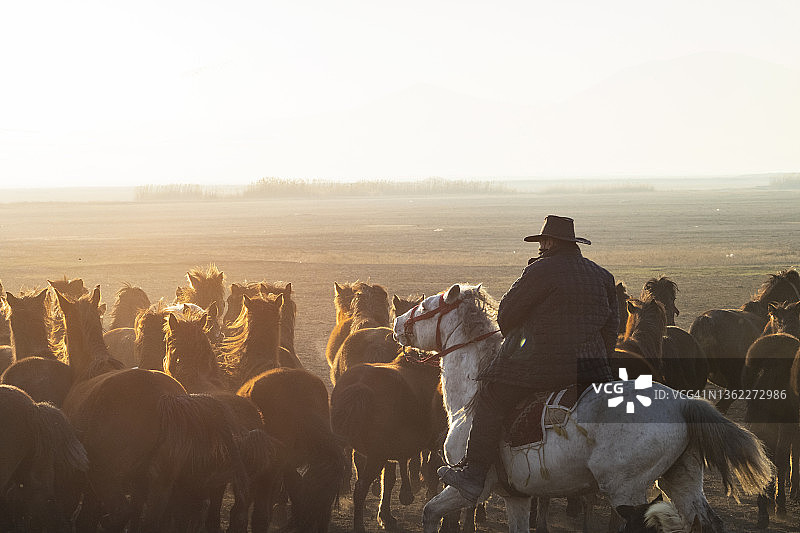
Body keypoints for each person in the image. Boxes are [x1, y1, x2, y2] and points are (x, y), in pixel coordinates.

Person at [438, 214, 619, 503]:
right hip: (590, 370)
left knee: (491, 396)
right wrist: (599, 359)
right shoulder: (602, 275)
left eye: (542, 241)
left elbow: (507, 314)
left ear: (548, 242)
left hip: (540, 367)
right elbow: (612, 327)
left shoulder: (540, 271)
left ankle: (473, 474)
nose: (540, 246)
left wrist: (519, 343)